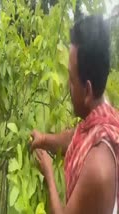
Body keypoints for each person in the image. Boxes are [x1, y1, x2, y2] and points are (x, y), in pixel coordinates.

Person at [30, 15, 119, 214]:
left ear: (87, 91)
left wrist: (49, 173)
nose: (67, 86)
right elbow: (77, 135)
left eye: (71, 79)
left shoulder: (98, 168)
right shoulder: (104, 114)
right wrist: (44, 139)